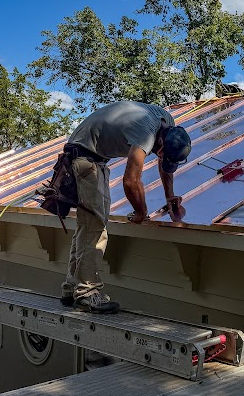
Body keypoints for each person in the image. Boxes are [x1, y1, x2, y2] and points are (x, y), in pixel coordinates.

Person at [59, 100, 192, 313]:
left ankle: (71, 287)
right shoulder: (146, 134)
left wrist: (170, 196)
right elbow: (131, 181)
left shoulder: (168, 123)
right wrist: (141, 212)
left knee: (88, 226)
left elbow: (164, 166)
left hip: (92, 157)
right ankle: (87, 293)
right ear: (160, 143)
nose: (158, 156)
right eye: (159, 153)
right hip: (84, 159)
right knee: (95, 228)